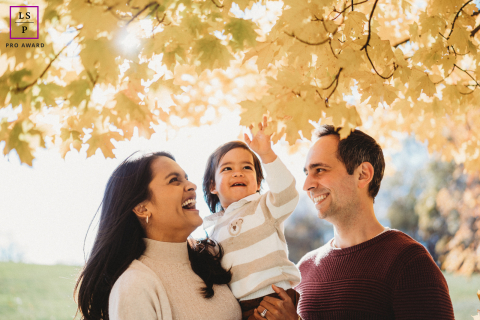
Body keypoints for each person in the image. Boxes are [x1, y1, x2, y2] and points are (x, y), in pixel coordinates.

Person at [296, 125, 455, 319]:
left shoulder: (410, 264)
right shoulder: (303, 269)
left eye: (320, 170)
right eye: (307, 173)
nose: (307, 185)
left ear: (363, 174)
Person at [74, 151, 241, 320]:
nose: (191, 185)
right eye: (174, 180)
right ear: (142, 208)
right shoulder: (134, 285)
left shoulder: (210, 257)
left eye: (186, 177)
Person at [202, 117, 301, 320]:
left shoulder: (264, 207)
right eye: (227, 168)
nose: (238, 173)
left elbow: (286, 193)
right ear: (213, 186)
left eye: (247, 167)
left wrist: (266, 154)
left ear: (258, 182)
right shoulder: (213, 231)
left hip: (274, 297)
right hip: (241, 308)